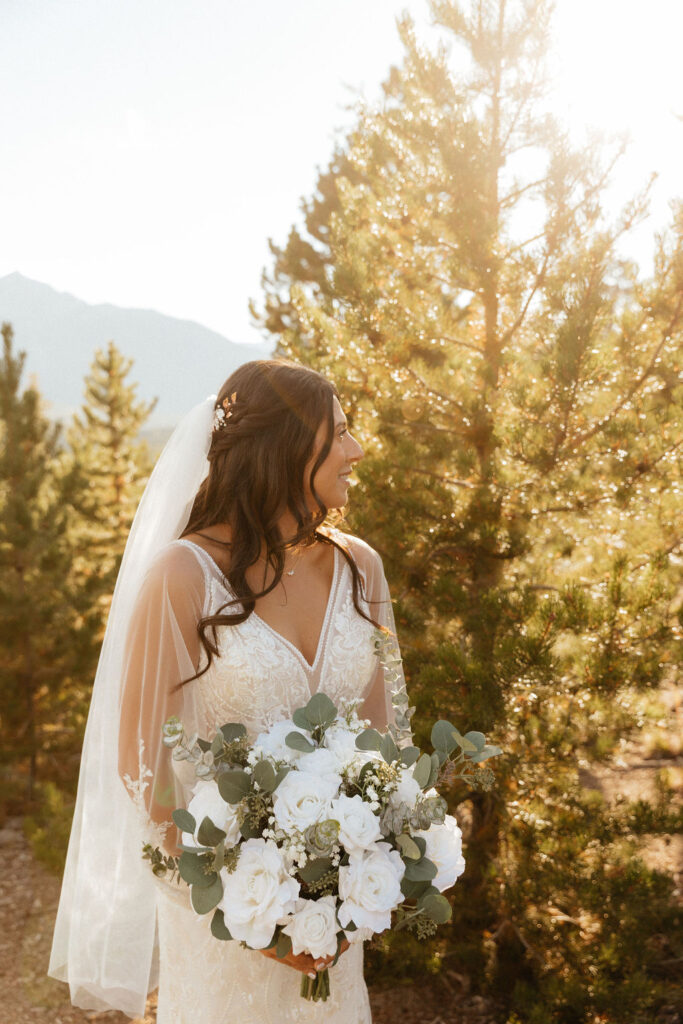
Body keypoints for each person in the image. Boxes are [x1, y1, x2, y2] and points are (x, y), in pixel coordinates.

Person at [50, 359, 408, 1023]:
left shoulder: (361, 568)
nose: (356, 450)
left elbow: (385, 742)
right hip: (217, 913)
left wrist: (365, 873)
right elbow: (142, 770)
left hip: (332, 913)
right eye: (340, 433)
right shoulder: (182, 576)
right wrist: (247, 907)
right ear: (284, 447)